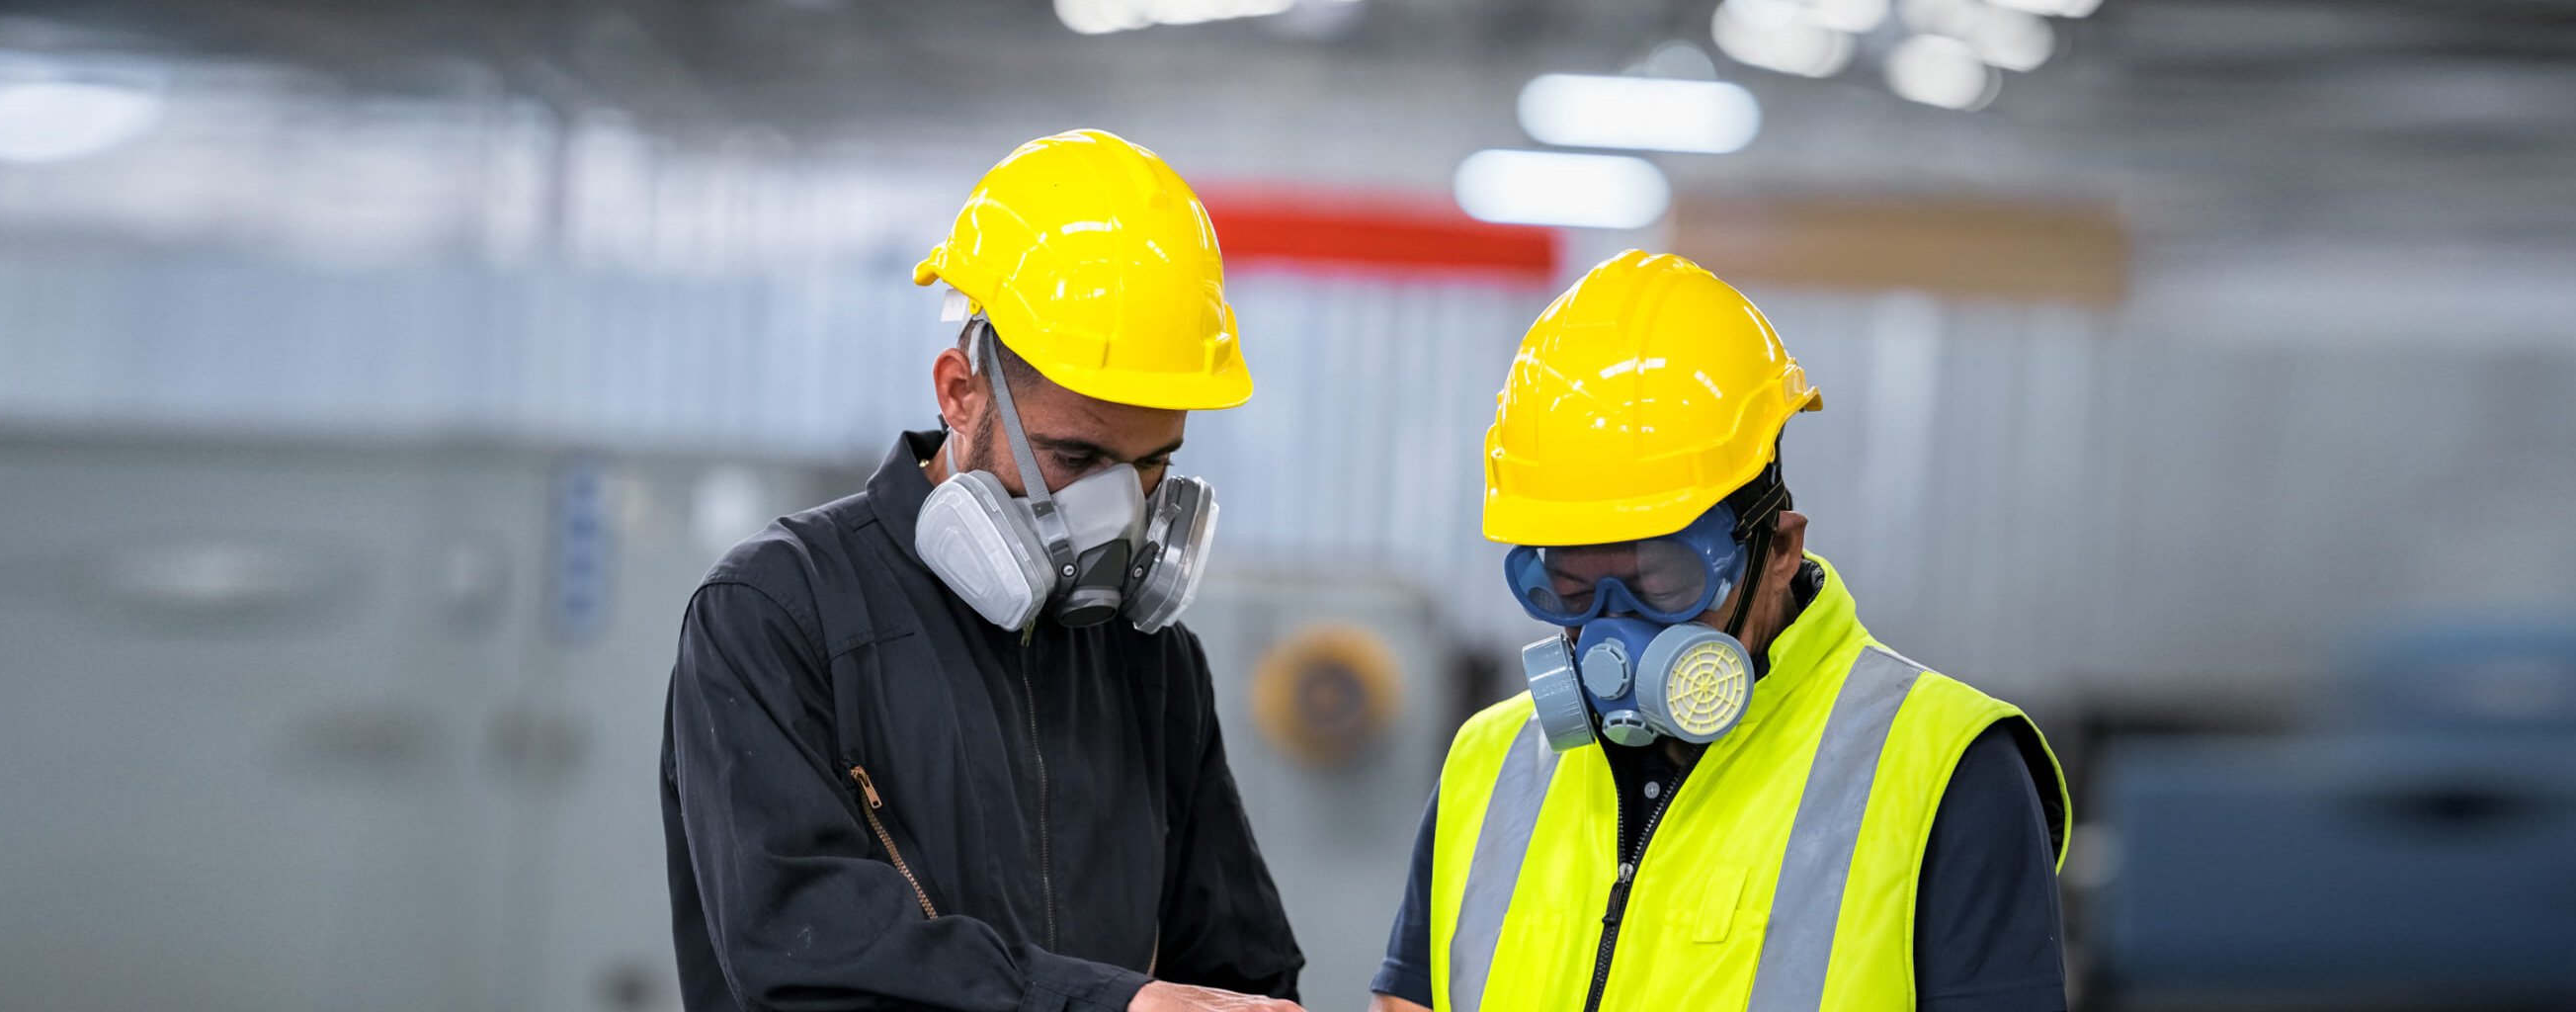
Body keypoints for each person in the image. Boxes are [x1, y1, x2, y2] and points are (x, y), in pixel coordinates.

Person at [662, 129, 1307, 1012]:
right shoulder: (777, 613)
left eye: (1152, 465)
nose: (1117, 512)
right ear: (960, 392)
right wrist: (1103, 1005)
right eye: (1075, 458)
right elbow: (804, 954)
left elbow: (1238, 968)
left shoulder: (1153, 663)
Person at [1367, 251, 2073, 1012]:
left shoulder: (1947, 769)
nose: (1613, 640)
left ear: (1780, 548)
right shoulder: (1489, 765)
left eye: (1662, 580)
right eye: (1570, 584)